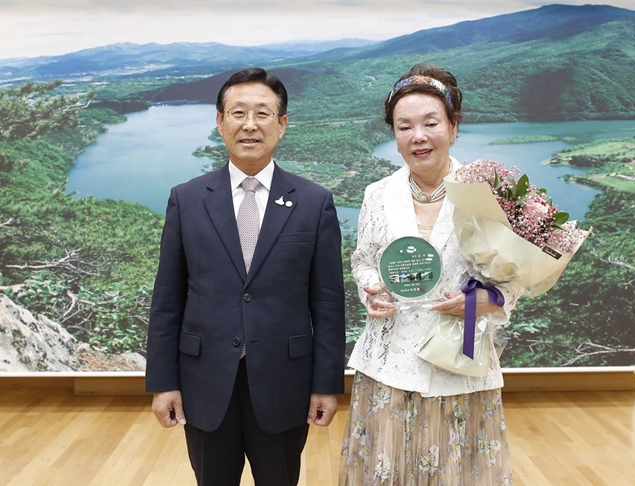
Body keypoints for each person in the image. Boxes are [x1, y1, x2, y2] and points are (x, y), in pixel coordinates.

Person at [145, 67, 346, 486]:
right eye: (238, 113)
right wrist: (163, 383)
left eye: (262, 113)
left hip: (283, 384)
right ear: (220, 122)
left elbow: (327, 303)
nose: (249, 125)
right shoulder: (186, 199)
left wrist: (327, 384)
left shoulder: (314, 202)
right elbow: (167, 300)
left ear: (282, 124)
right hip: (205, 383)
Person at [339, 63, 519, 485]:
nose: (417, 136)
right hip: (388, 365)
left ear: (453, 127)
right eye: (404, 127)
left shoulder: (486, 192)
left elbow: (516, 277)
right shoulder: (377, 194)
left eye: (430, 123)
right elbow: (363, 259)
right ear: (395, 135)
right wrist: (371, 289)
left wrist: (484, 299)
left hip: (461, 360)